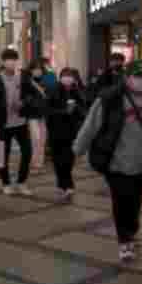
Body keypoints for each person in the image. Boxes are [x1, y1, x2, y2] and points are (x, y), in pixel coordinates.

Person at [73, 59, 142, 263]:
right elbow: (91, 125)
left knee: (135, 201)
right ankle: (124, 240)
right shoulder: (110, 98)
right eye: (138, 76)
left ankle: (131, 230)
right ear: (127, 77)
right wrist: (78, 149)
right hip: (116, 162)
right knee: (121, 201)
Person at [0, 49, 40, 196]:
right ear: (3, 62)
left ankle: (22, 182)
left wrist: (24, 102)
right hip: (4, 123)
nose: (12, 62)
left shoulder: (23, 76)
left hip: (20, 121)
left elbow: (33, 93)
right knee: (4, 154)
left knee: (27, 151)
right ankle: (6, 183)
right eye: (8, 59)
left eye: (14, 59)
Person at [46, 68, 87, 198]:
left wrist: (76, 109)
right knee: (58, 159)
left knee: (69, 159)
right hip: (56, 131)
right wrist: (64, 111)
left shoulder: (77, 91)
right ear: (61, 77)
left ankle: (66, 184)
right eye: (65, 76)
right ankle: (63, 184)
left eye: (70, 76)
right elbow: (47, 110)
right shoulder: (53, 90)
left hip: (71, 131)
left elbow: (83, 111)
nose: (68, 78)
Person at [29, 60, 52, 169]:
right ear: (31, 70)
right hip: (32, 115)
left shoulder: (46, 81)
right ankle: (34, 160)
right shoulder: (28, 82)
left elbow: (49, 97)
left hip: (43, 114)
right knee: (36, 138)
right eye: (35, 69)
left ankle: (39, 161)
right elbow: (25, 98)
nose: (37, 71)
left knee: (42, 138)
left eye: (39, 69)